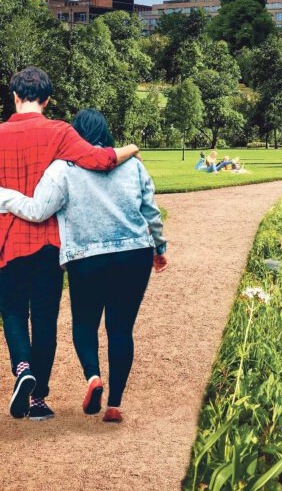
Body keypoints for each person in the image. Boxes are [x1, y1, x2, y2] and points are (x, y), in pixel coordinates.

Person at [0, 108, 167, 424]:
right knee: (120, 329)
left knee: (85, 324)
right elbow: (151, 213)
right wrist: (160, 247)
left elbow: (37, 211)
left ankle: (93, 376)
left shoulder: (63, 168)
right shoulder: (133, 166)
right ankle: (114, 404)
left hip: (86, 259)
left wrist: (5, 197)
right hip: (134, 253)